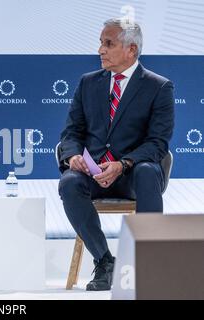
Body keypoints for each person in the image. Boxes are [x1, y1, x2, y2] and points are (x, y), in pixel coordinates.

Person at [58, 18, 174, 291]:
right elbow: (71, 133)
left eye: (108, 43)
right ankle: (105, 262)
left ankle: (148, 263)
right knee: (69, 182)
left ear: (131, 50)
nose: (100, 49)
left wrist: (123, 164)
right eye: (101, 43)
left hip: (133, 174)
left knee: (147, 171)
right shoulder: (88, 83)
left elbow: (158, 143)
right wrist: (73, 156)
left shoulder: (158, 87)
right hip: (93, 173)